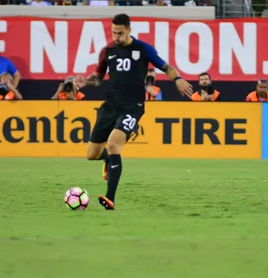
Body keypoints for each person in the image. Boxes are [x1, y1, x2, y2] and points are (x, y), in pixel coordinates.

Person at [74, 14, 193, 210]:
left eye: (120, 33)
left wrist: (177, 79)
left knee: (113, 143)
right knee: (91, 154)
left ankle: (110, 198)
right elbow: (97, 78)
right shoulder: (107, 51)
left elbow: (166, 67)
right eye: (113, 33)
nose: (116, 37)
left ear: (129, 30)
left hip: (132, 108)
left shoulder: (143, 49)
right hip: (109, 107)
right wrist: (85, 82)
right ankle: (107, 160)